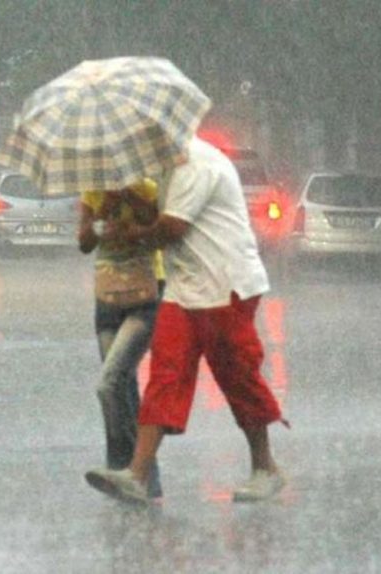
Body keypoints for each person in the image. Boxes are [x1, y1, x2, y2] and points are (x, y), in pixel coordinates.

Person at [85, 135, 286, 505]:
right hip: (185, 287)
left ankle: (265, 466)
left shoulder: (197, 164)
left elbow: (169, 229)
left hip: (225, 284)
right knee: (166, 373)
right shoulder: (165, 169)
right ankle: (138, 475)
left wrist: (134, 235)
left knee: (237, 376)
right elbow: (154, 217)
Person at [79, 180, 164, 500]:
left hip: (145, 295)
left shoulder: (147, 188)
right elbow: (85, 242)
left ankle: (128, 469)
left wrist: (130, 196)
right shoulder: (92, 191)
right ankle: (140, 477)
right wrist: (101, 209)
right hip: (107, 299)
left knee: (110, 383)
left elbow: (158, 232)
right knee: (122, 388)